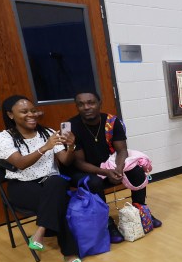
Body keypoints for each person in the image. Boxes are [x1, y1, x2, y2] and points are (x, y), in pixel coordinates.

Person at [0, 95, 82, 262]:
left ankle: (40, 230)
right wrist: (45, 147)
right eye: (24, 112)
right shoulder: (3, 137)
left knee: (57, 181)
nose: (31, 115)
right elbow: (20, 164)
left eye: (33, 111)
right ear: (10, 115)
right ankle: (69, 252)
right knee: (58, 201)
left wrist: (70, 146)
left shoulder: (47, 132)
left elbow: (65, 161)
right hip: (22, 186)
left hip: (51, 184)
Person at [67, 91, 161, 244]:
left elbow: (122, 150)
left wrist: (118, 168)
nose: (86, 107)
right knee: (94, 182)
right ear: (77, 107)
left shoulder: (111, 121)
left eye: (91, 102)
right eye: (81, 104)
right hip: (84, 171)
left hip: (110, 166)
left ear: (99, 103)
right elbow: (78, 162)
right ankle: (106, 222)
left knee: (136, 170)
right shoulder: (72, 127)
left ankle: (140, 210)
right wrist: (104, 172)